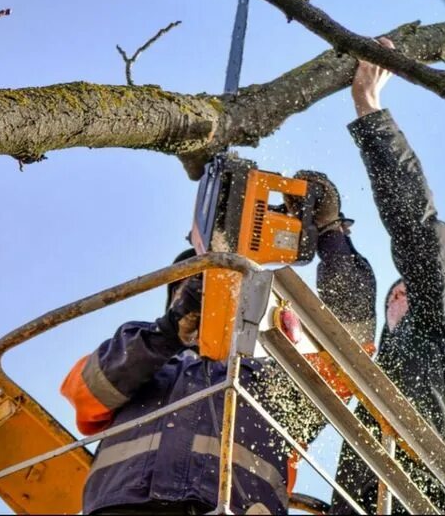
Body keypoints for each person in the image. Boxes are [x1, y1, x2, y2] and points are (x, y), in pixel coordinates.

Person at [60, 179, 377, 515]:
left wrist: (331, 233)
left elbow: (349, 348)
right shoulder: (139, 356)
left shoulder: (273, 381)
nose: (209, 292)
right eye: (196, 284)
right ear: (175, 300)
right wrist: (168, 333)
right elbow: (86, 392)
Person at [330, 39, 445, 514]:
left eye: (402, 290)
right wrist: (331, 237)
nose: (393, 302)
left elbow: (417, 231)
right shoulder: (432, 366)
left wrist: (369, 109)